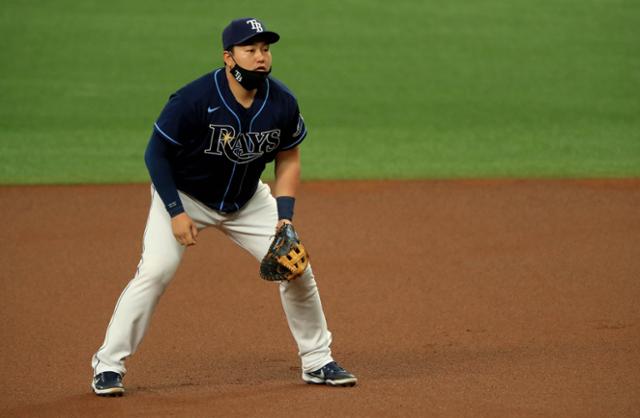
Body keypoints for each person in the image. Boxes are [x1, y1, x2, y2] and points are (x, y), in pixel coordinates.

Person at [90, 17, 357, 397]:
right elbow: (156, 154)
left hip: (248, 201)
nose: (261, 57)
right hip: (186, 197)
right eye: (250, 50)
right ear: (228, 57)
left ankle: (317, 361)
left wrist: (285, 217)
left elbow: (289, 158)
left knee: (296, 268)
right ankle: (108, 364)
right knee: (155, 271)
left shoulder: (281, 102)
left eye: (265, 49)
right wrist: (175, 211)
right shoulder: (194, 99)